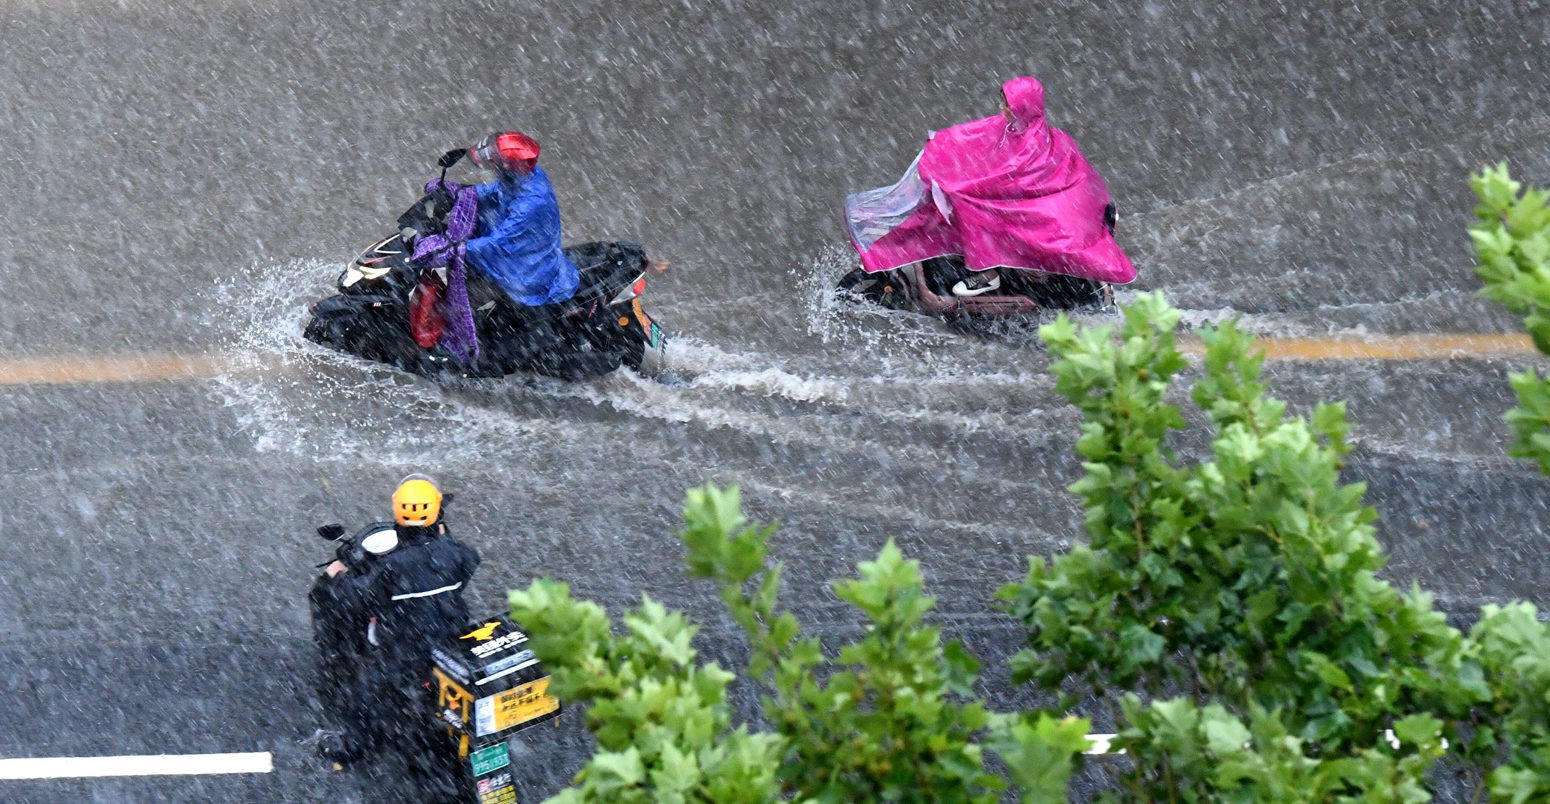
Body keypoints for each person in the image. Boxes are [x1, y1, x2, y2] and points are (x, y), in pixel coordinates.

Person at [845, 76, 1136, 298]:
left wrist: (963, 185)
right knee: (963, 198)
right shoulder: (1020, 129)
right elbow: (974, 137)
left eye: (1007, 106)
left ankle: (988, 274)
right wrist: (942, 147)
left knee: (970, 202)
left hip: (1033, 211)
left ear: (1022, 108)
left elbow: (1012, 178)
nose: (1001, 110)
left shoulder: (1033, 144)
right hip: (1031, 205)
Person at [316, 474, 481, 774]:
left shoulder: (393, 566)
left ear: (398, 513)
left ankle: (351, 747)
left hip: (406, 650)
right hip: (451, 639)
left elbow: (357, 597)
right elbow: (471, 562)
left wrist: (336, 574)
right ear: (437, 512)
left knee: (365, 691)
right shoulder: (456, 555)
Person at [462, 131, 580, 307]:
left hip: (525, 274)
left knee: (464, 301)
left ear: (507, 166)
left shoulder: (531, 203)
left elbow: (497, 244)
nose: (493, 170)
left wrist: (455, 248)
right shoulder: (526, 175)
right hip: (523, 258)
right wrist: (459, 193)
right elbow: (496, 191)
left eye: (494, 165)